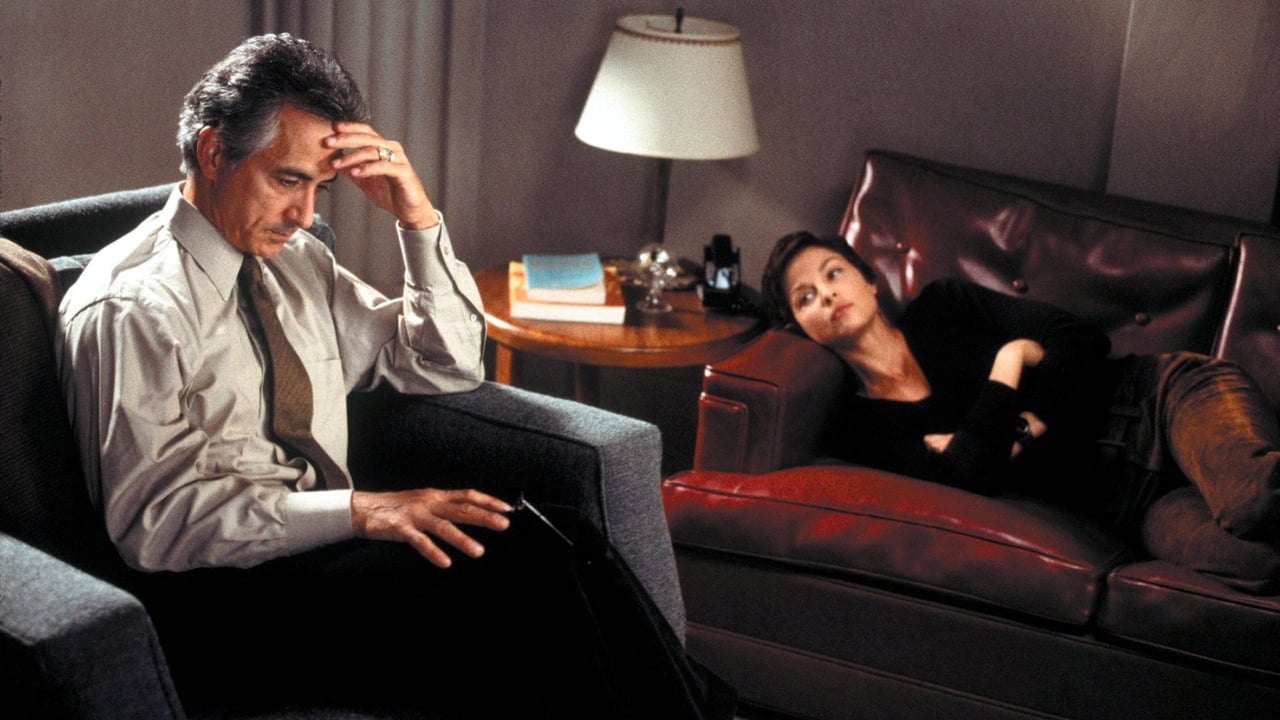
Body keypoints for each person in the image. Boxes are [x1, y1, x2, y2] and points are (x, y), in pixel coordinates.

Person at [57, 34, 726, 718]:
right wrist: (362, 511)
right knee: (526, 571)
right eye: (287, 180)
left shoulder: (296, 263)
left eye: (319, 187)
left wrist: (417, 218)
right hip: (220, 602)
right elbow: (154, 524)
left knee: (562, 536)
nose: (305, 215)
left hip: (322, 558)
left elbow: (446, 364)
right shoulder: (133, 308)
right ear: (212, 151)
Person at [760, 231, 1280, 595]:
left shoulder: (945, 305)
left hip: (1161, 398)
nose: (827, 294)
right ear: (799, 327)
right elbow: (970, 476)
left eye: (834, 273)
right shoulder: (861, 427)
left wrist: (1010, 431)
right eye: (806, 297)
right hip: (1133, 506)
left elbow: (1079, 339)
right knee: (1254, 562)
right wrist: (1009, 363)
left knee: (1251, 498)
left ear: (869, 280)